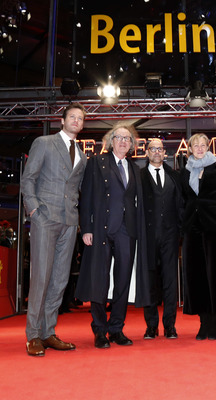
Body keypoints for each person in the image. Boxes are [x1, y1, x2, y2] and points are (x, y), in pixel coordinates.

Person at [20, 102, 88, 357]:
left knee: (59, 280)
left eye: (80, 118)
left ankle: (48, 332)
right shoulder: (44, 142)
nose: (76, 121)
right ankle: (33, 335)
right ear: (62, 120)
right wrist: (34, 210)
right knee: (41, 277)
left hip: (70, 222)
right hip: (45, 218)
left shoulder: (81, 154)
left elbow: (77, 189)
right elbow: (29, 178)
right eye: (72, 117)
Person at [75, 122, 151, 349]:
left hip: (127, 232)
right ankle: (99, 330)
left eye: (128, 139)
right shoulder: (97, 162)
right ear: (111, 141)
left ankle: (116, 328)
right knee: (99, 280)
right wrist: (86, 228)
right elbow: (86, 196)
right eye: (119, 137)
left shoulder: (135, 168)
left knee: (123, 281)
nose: (124, 142)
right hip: (101, 229)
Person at [180, 133, 216, 340]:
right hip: (192, 228)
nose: (199, 148)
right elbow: (184, 200)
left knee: (213, 275)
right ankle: (202, 320)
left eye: (202, 145)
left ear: (208, 147)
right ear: (189, 148)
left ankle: (214, 319)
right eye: (195, 145)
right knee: (196, 276)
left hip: (214, 227)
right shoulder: (185, 170)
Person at [141, 139, 184, 340]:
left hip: (170, 237)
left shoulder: (174, 176)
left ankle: (170, 325)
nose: (156, 152)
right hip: (147, 238)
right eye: (153, 149)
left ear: (164, 152)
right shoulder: (138, 177)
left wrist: (180, 232)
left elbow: (181, 205)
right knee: (149, 282)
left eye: (160, 149)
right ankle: (151, 326)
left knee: (170, 282)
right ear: (147, 152)